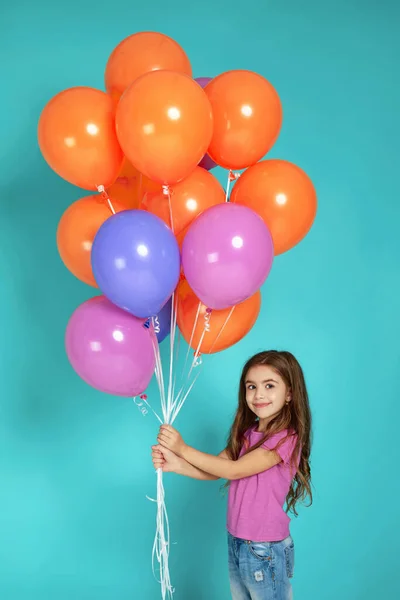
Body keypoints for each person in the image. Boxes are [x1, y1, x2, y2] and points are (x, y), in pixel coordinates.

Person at [152, 350, 312, 600]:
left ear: (290, 393)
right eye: (251, 386)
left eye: (269, 386)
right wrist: (177, 464)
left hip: (264, 547)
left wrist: (183, 449)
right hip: (238, 542)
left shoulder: (286, 439)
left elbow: (234, 469)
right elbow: (217, 468)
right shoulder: (248, 433)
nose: (259, 394)